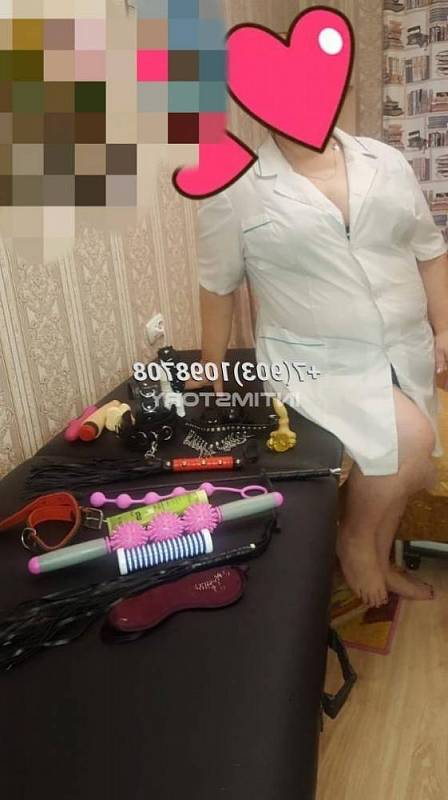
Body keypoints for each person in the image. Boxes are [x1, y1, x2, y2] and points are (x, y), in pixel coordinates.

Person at [190, 126, 448, 608]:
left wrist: (443, 328)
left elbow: (430, 252)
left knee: (399, 460)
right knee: (412, 441)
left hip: (403, 345)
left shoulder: (386, 161)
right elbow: (217, 284)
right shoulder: (237, 187)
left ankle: (382, 561)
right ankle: (354, 540)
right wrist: (211, 362)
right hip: (316, 359)